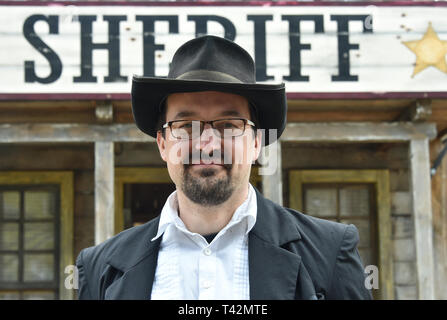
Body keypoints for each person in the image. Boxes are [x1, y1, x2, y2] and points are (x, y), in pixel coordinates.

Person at [76, 35, 372, 300]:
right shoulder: (100, 267)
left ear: (256, 142)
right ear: (163, 144)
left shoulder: (329, 252)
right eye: (185, 126)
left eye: (229, 125)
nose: (207, 144)